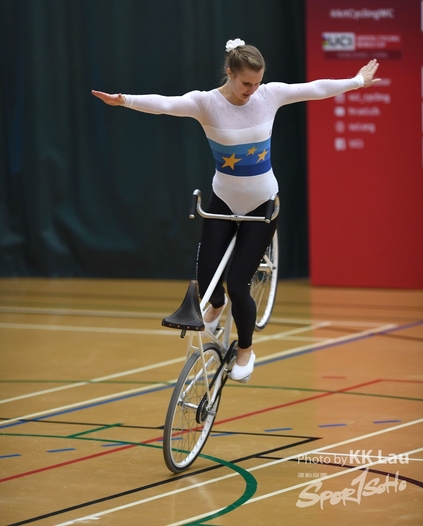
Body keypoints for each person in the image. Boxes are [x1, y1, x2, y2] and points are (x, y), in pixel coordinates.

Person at [92, 39, 380, 382]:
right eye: (246, 83)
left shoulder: (269, 96)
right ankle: (216, 305)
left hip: (262, 204)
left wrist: (357, 81)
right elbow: (166, 104)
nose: (252, 90)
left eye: (258, 83)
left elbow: (315, 89)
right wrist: (124, 100)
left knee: (238, 284)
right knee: (206, 280)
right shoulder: (206, 104)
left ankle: (245, 349)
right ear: (229, 73)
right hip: (224, 201)